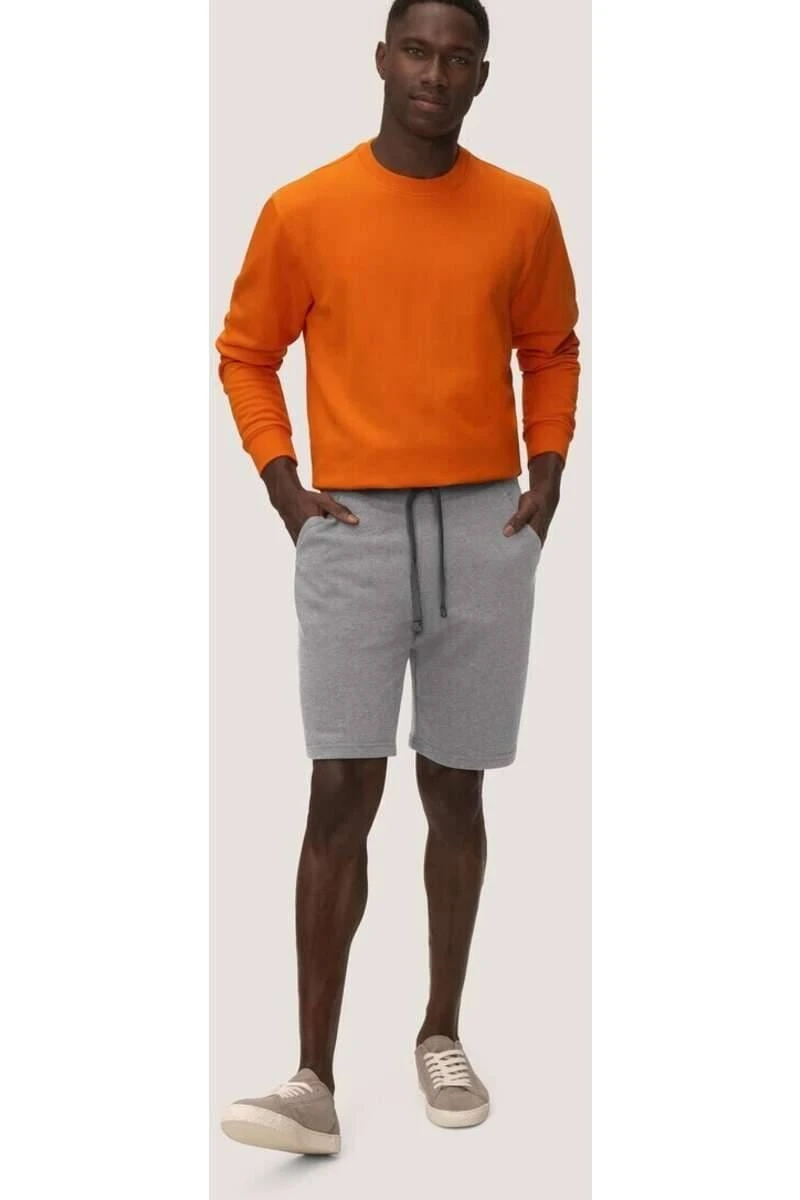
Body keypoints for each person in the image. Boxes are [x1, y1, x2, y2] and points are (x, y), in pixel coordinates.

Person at [216, 0, 580, 1157]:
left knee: (456, 791)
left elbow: (549, 348)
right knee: (338, 791)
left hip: (485, 525)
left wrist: (546, 472)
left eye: (457, 57)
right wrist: (284, 487)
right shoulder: (304, 208)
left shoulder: (522, 210)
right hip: (353, 527)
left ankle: (439, 1030)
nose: (435, 72)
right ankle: (311, 1079)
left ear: (481, 76)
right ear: (381, 60)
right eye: (416, 51)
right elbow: (246, 352)